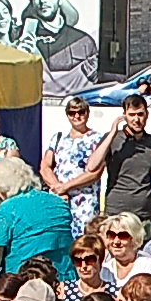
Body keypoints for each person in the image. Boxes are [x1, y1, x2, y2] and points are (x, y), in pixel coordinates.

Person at [0, 157, 75, 280]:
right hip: (64, 278)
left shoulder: (5, 210)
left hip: (21, 280)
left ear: (3, 186)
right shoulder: (59, 203)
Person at [85, 94, 151, 224]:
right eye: (132, 115)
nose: (137, 119)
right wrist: (112, 133)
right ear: (124, 116)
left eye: (140, 114)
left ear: (147, 115)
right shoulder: (113, 139)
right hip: (116, 213)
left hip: (144, 215)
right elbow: (92, 166)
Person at [42, 96, 107, 235]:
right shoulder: (58, 138)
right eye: (72, 113)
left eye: (81, 112)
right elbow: (45, 166)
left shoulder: (98, 138)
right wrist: (58, 188)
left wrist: (66, 186)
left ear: (87, 113)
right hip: (60, 199)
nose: (77, 116)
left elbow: (95, 173)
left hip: (85, 202)